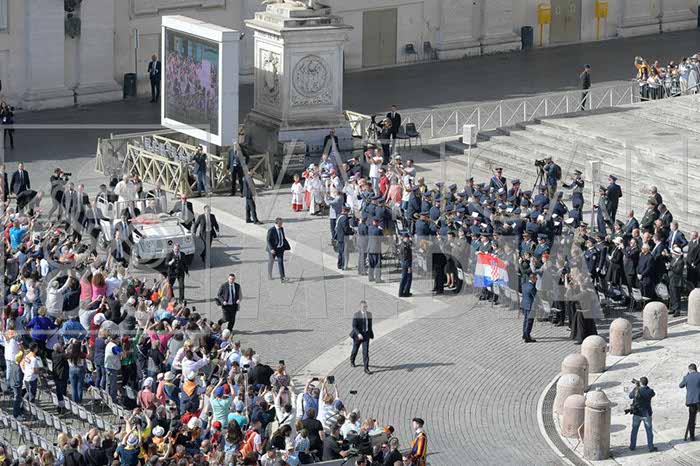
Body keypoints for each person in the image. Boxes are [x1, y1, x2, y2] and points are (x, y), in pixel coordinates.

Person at [629, 377, 657, 452]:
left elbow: (630, 396)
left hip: (637, 413)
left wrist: (637, 387)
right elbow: (653, 394)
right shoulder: (649, 391)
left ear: (640, 383)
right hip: (646, 414)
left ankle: (632, 446)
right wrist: (642, 386)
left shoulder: (636, 390)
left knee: (634, 430)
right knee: (649, 431)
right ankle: (651, 447)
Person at [350, 300, 373, 375]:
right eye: (363, 307)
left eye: (366, 306)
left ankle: (366, 368)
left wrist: (370, 333)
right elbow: (354, 326)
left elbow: (369, 325)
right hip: (358, 336)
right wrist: (358, 334)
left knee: (365, 352)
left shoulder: (369, 314)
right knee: (355, 350)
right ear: (360, 307)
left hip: (366, 335)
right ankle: (352, 360)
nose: (365, 308)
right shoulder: (356, 315)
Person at [680, 363, 700, 441]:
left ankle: (692, 436)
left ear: (690, 369)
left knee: (692, 419)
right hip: (699, 400)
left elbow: (681, 385)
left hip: (691, 401)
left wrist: (686, 377)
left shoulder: (687, 377)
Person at [266, 217, 290, 282]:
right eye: (281, 223)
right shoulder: (271, 230)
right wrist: (271, 249)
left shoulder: (281, 228)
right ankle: (269, 275)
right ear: (277, 223)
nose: (282, 224)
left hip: (280, 248)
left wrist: (285, 245)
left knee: (280, 262)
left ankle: (282, 277)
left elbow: (283, 237)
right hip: (273, 249)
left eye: (282, 222)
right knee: (271, 262)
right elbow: (268, 240)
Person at [335, 205, 354, 270]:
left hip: (339, 236)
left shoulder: (338, 216)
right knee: (344, 252)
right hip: (344, 237)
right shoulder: (344, 218)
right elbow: (346, 230)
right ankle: (344, 266)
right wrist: (352, 232)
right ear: (347, 211)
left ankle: (339, 265)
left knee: (340, 251)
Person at [521, 273, 538, 343]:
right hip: (530, 306)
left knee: (525, 320)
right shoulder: (532, 287)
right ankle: (527, 337)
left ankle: (524, 334)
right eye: (536, 278)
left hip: (524, 305)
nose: (537, 280)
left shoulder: (524, 285)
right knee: (529, 321)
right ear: (533, 279)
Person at [668, 246, 685, 317]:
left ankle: (677, 310)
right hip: (671, 279)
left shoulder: (681, 261)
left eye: (673, 253)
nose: (672, 254)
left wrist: (670, 267)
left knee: (676, 295)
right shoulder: (673, 260)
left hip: (676, 280)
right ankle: (673, 308)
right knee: (672, 294)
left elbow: (678, 271)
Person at [398, 232, 413, 297]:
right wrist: (409, 266)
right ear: (405, 238)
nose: (408, 239)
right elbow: (405, 257)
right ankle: (404, 292)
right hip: (406, 263)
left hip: (404, 262)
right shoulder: (404, 246)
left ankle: (404, 291)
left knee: (405, 278)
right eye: (407, 237)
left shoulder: (402, 244)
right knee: (407, 278)